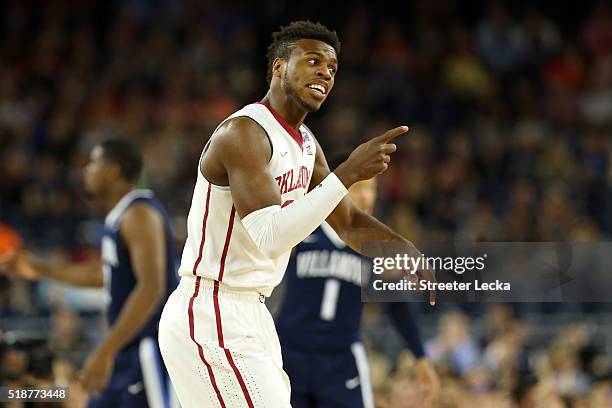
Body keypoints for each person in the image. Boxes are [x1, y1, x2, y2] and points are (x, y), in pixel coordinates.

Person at [158, 20, 435, 408]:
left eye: (332, 68)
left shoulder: (305, 144)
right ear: (279, 67)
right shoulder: (245, 133)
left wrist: (404, 249)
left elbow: (350, 223)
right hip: (211, 310)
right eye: (313, 61)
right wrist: (349, 172)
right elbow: (270, 236)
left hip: (250, 312)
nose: (325, 72)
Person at [4, 138, 179, 408]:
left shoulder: (139, 213)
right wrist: (41, 268)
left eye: (94, 162)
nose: (86, 170)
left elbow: (151, 287)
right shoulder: (120, 217)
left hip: (147, 348)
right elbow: (106, 274)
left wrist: (104, 350)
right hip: (126, 351)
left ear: (113, 170)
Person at [276, 152, 439, 407]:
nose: (367, 196)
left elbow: (397, 304)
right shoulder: (303, 225)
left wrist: (420, 357)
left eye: (372, 189)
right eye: (359, 187)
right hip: (289, 351)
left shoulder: (376, 243)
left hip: (341, 358)